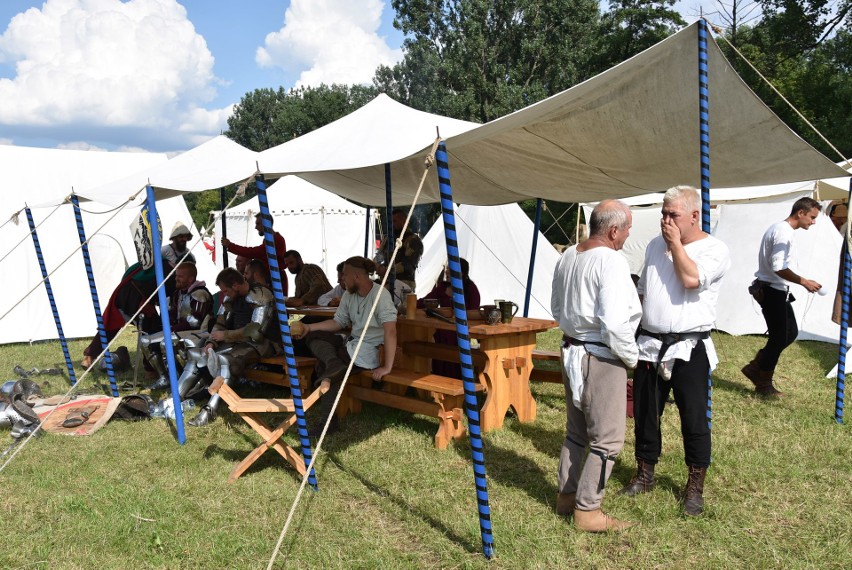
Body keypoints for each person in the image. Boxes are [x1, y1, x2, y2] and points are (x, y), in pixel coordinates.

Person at [621, 186, 730, 518]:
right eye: (663, 214)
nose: (665, 220)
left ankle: (694, 486)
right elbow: (643, 292)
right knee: (645, 413)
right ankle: (645, 472)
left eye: (673, 215)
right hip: (651, 345)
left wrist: (676, 245)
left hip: (689, 347)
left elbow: (690, 279)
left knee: (694, 418)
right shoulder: (655, 245)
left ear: (694, 216)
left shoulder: (714, 249)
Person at [551, 200, 640, 532]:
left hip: (573, 350)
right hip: (601, 357)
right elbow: (615, 324)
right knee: (607, 440)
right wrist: (631, 359)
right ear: (614, 230)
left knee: (576, 432)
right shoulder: (611, 261)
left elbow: (557, 307)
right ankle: (587, 511)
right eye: (628, 228)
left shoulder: (568, 256)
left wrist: (576, 334)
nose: (628, 235)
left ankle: (567, 495)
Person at [293, 256, 397, 434]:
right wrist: (307, 327)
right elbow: (338, 322)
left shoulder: (381, 295)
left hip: (368, 350)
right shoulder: (349, 295)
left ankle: (328, 423)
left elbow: (391, 331)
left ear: (357, 276)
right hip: (350, 344)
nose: (341, 279)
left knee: (325, 367)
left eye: (345, 275)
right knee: (314, 336)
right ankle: (332, 363)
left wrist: (387, 366)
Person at [177, 268, 278, 427]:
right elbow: (220, 322)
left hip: (263, 344)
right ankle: (175, 398)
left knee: (224, 360)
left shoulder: (260, 295)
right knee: (195, 354)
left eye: (225, 290)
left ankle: (210, 409)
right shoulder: (232, 298)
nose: (224, 294)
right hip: (236, 342)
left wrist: (225, 336)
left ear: (236, 285)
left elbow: (256, 332)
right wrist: (212, 341)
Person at [743, 197, 822, 397]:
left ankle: (756, 367)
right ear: (800, 213)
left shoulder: (782, 230)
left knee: (790, 333)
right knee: (779, 338)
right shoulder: (782, 233)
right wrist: (804, 281)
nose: (813, 222)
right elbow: (778, 267)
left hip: (776, 290)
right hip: (771, 290)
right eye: (812, 217)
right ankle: (763, 384)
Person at [143, 262, 213, 389]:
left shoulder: (199, 294)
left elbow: (195, 322)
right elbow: (172, 313)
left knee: (166, 343)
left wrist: (172, 328)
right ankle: (165, 378)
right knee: (145, 341)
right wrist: (169, 324)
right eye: (176, 276)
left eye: (180, 276)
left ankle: (180, 380)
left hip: (198, 333)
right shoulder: (178, 293)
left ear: (191, 278)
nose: (176, 278)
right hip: (180, 330)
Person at [419, 258, 481, 379]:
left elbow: (473, 312)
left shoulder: (471, 289)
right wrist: (408, 304)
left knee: (450, 336)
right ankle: (438, 375)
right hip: (443, 328)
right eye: (447, 269)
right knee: (439, 334)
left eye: (450, 270)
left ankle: (455, 377)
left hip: (461, 330)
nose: (446, 272)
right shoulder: (443, 288)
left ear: (461, 273)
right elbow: (426, 301)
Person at [221, 213, 288, 295]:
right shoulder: (272, 239)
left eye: (258, 224)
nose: (256, 227)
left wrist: (230, 246)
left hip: (275, 279)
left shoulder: (275, 240)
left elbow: (254, 252)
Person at [375, 208, 424, 290]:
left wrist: (386, 270)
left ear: (404, 221)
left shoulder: (413, 240)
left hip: (404, 283)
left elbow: (408, 265)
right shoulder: (387, 239)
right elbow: (380, 255)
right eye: (391, 222)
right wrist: (377, 266)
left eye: (395, 221)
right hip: (386, 282)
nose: (392, 224)